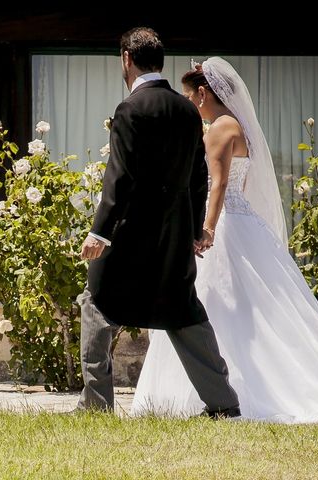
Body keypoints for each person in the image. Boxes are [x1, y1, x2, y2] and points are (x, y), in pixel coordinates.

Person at [132, 57, 318, 423]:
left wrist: (205, 229)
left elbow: (219, 183)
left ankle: (217, 391)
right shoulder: (237, 126)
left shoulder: (221, 128)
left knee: (207, 305)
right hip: (242, 224)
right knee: (235, 308)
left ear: (204, 93)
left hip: (223, 226)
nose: (190, 105)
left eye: (191, 97)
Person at [75, 29, 240, 418]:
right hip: (173, 237)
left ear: (127, 58)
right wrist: (196, 228)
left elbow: (120, 177)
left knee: (96, 304)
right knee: (183, 313)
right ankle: (224, 404)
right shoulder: (187, 110)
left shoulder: (130, 110)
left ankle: (96, 406)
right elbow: (199, 177)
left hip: (129, 236)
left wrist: (99, 231)